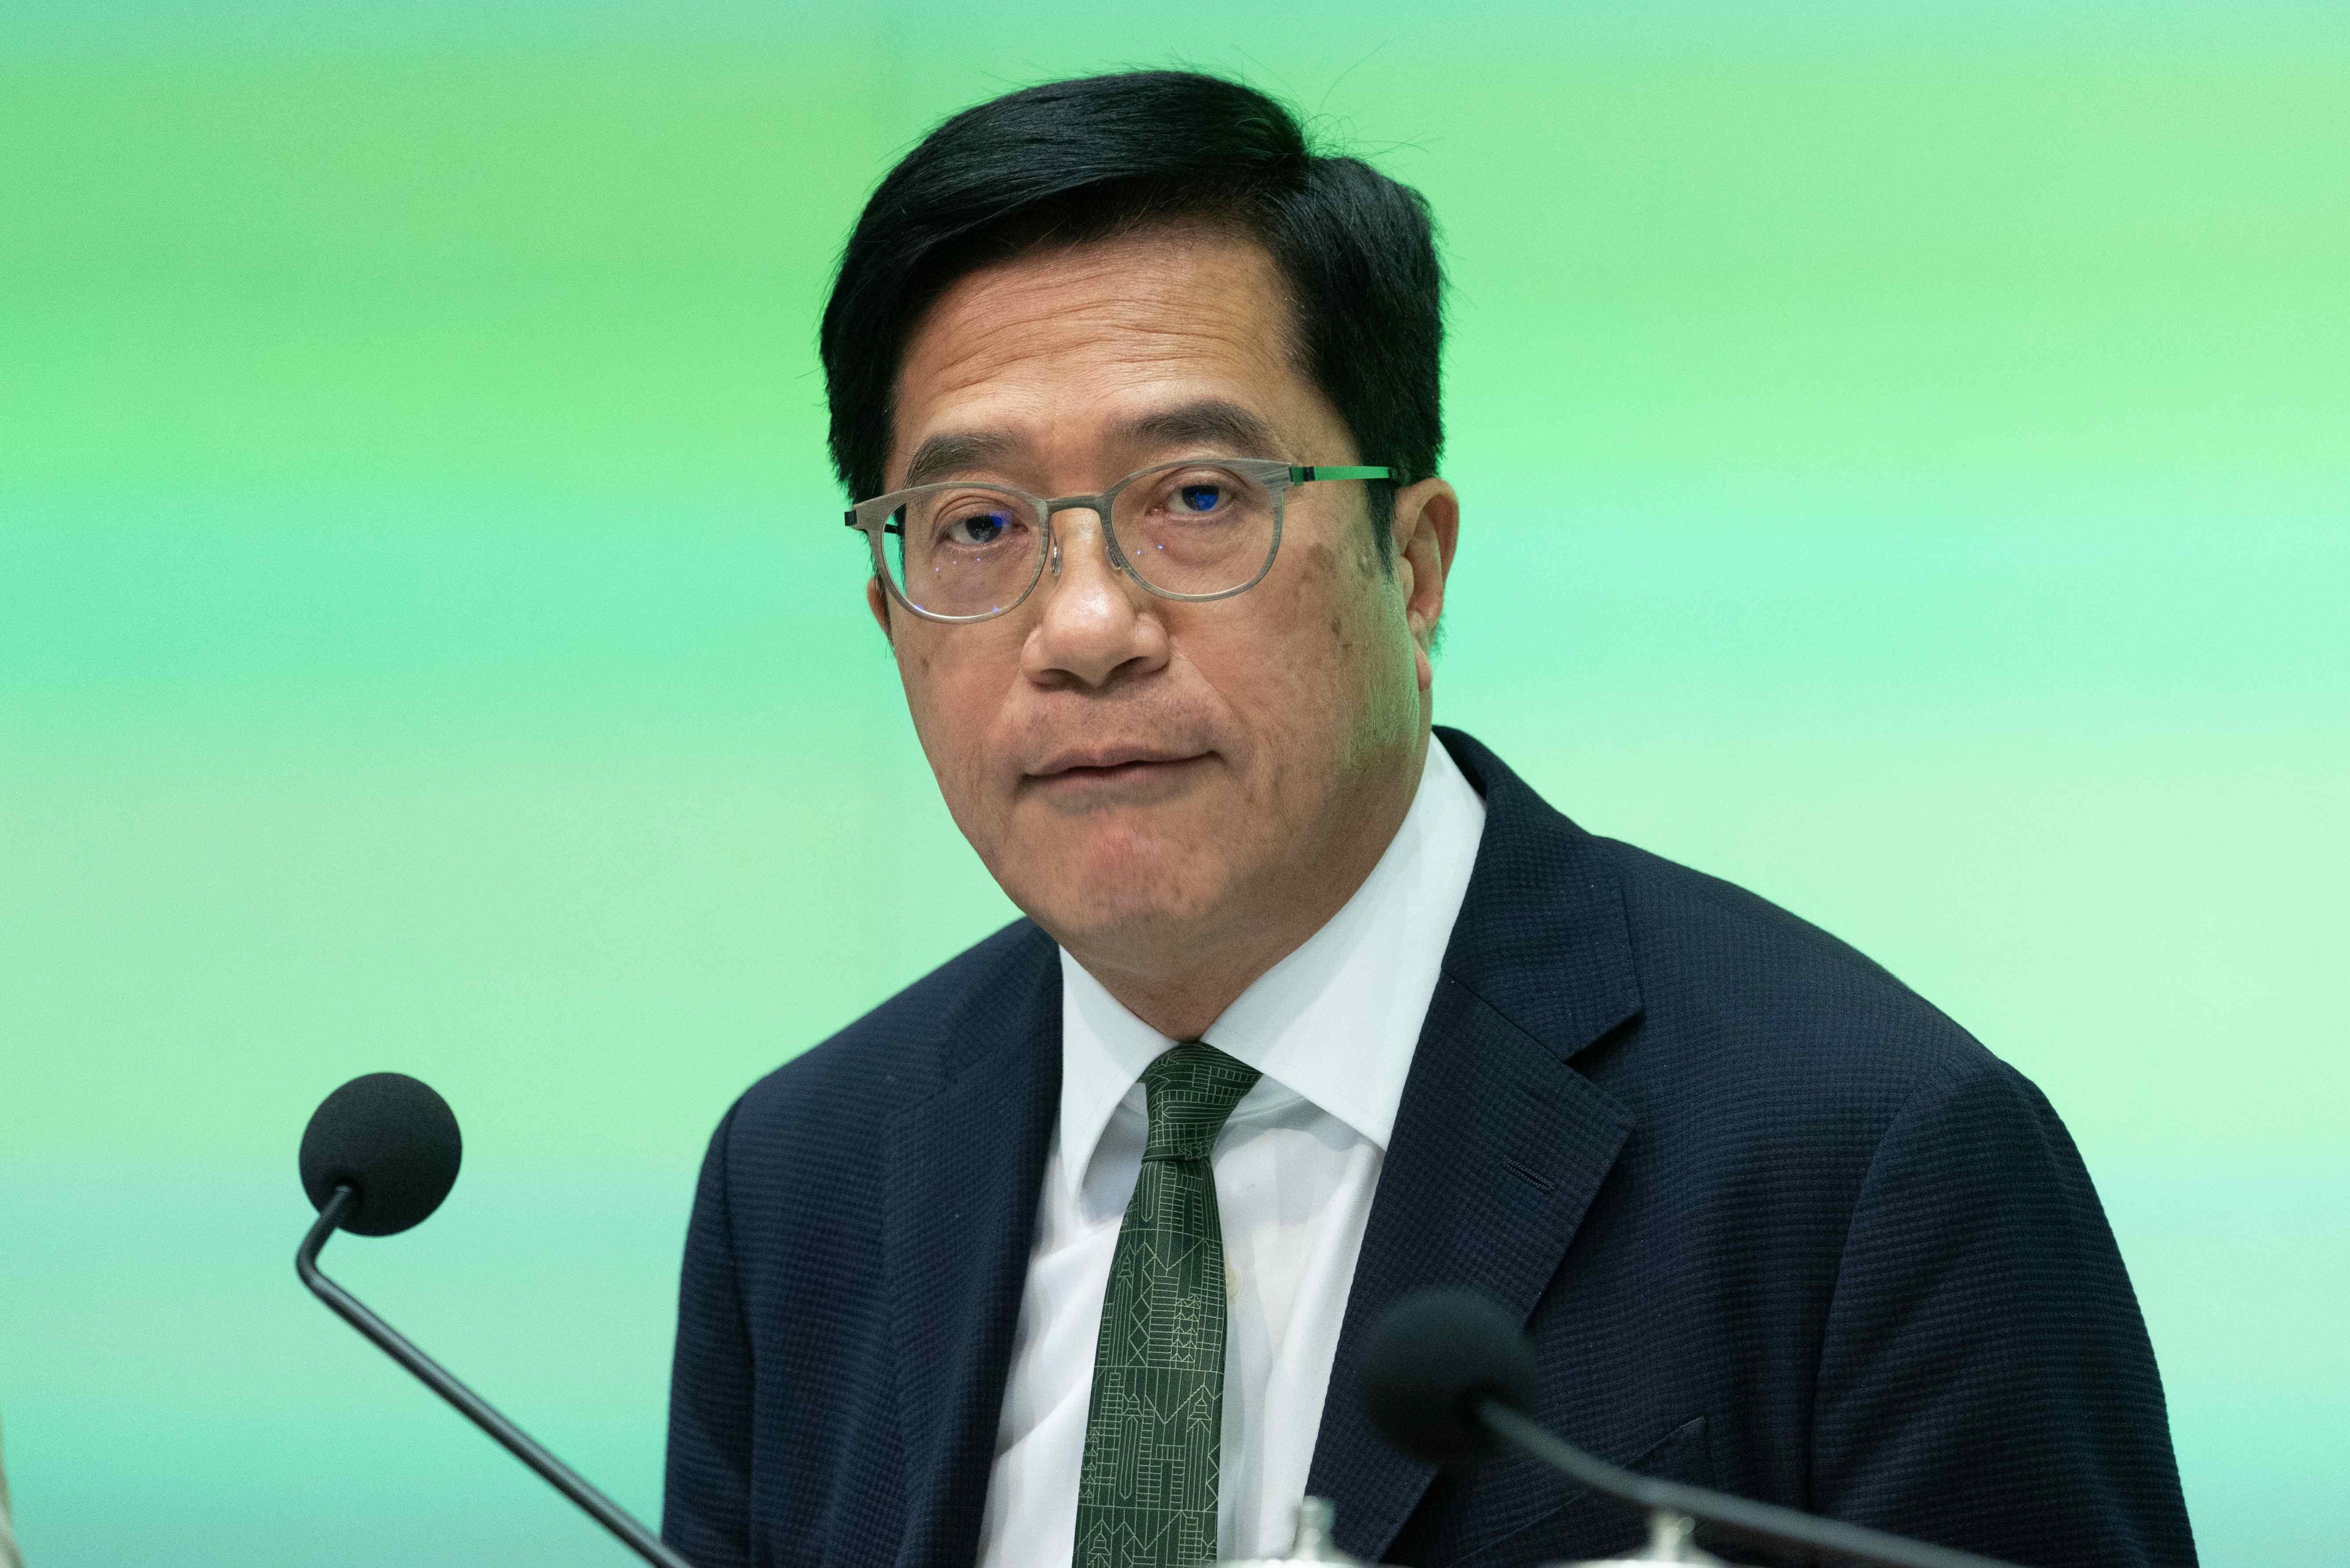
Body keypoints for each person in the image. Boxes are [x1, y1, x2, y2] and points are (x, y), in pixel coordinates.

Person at [662, 70, 2194, 1568]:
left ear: (1413, 564)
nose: (1085, 626)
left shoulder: (1867, 1164)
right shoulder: (800, 1186)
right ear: (892, 617)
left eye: (1195, 497)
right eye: (979, 525)